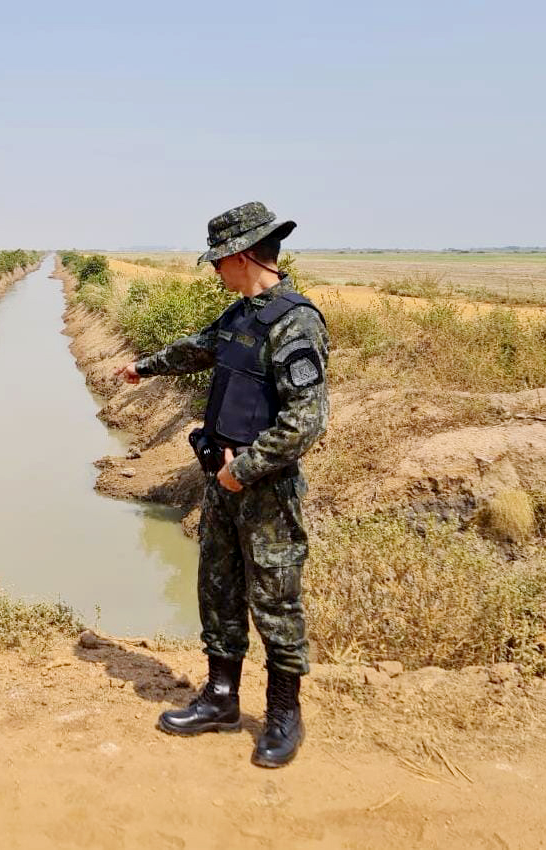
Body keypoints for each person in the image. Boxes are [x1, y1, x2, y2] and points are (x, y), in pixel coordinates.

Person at [115, 202, 329, 768]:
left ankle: (283, 715)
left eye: (218, 260)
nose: (214, 270)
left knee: (275, 602)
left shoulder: (296, 322)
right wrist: (145, 366)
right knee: (219, 591)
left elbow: (305, 421)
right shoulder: (240, 316)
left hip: (265, 493)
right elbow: (199, 347)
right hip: (220, 481)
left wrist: (245, 469)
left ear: (242, 256)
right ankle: (220, 698)